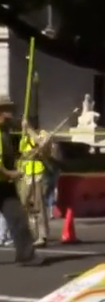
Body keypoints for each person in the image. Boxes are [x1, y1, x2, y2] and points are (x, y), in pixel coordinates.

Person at [0, 97, 38, 264]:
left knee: (18, 218)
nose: (10, 114)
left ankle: (26, 255)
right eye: (6, 110)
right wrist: (10, 173)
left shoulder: (6, 133)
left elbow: (16, 155)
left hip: (4, 186)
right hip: (4, 179)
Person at [18, 115, 50, 247]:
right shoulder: (23, 138)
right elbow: (23, 154)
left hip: (38, 173)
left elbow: (42, 145)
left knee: (39, 205)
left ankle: (42, 235)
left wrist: (29, 130)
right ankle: (30, 233)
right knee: (24, 204)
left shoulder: (43, 134)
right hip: (26, 174)